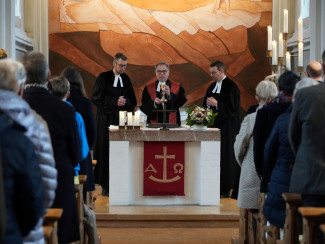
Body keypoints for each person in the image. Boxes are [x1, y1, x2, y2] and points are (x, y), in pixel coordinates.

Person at [22, 52, 81, 243]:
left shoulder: (17, 105)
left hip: (22, 186)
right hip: (58, 182)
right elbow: (76, 152)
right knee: (61, 235)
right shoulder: (65, 110)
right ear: (48, 76)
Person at [0, 59, 57, 244]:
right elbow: (45, 186)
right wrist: (26, 227)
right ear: (20, 88)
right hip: (21, 232)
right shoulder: (35, 125)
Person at [263, 78, 318, 230]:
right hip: (311, 185)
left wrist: (268, 178)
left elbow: (269, 152)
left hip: (285, 180)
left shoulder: (284, 119)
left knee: (287, 227)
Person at [91, 52, 137, 196]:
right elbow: (96, 97)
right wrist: (114, 101)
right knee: (105, 150)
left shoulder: (126, 78)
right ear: (114, 63)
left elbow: (133, 101)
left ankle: (121, 182)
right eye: (120, 65)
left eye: (125, 66)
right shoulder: (103, 77)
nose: (122, 69)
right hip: (105, 120)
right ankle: (105, 185)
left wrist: (125, 102)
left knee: (121, 150)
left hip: (122, 120)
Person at [289, 70, 325, 244]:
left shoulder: (306, 95)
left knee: (314, 233)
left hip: (313, 175)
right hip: (313, 176)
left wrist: (304, 159)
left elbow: (294, 136)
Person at [235, 80, 278, 210]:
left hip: (253, 171)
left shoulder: (251, 118)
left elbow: (239, 146)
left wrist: (244, 163)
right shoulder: (282, 116)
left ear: (257, 96)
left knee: (253, 212)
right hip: (274, 172)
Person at [253, 70, 300, 187]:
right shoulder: (302, 110)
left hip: (271, 168)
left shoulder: (265, 111)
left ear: (279, 88)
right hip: (298, 169)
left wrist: (261, 170)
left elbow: (258, 144)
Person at [203, 60, 240, 197]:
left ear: (222, 71)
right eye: (210, 72)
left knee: (225, 158)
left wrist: (217, 104)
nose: (211, 75)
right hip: (212, 127)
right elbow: (205, 105)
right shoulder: (211, 87)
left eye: (213, 72)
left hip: (226, 129)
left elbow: (233, 110)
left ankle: (225, 188)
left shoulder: (232, 87)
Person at [61, 66, 96, 194]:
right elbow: (92, 132)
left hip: (62, 155)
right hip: (81, 153)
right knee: (82, 191)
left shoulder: (56, 101)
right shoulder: (85, 102)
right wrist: (85, 147)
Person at [49, 76, 89, 180]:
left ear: (50, 92)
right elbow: (83, 152)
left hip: (48, 170)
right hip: (71, 171)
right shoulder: (76, 117)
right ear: (68, 94)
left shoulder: (44, 113)